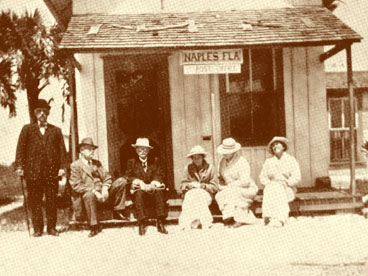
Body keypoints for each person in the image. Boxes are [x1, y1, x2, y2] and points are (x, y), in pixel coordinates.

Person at [15, 99, 68, 237]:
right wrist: (20, 166)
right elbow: (20, 149)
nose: (42, 114)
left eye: (45, 111)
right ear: (34, 113)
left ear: (48, 113)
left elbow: (62, 151)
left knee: (52, 200)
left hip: (51, 172)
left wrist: (62, 167)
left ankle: (51, 228)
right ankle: (38, 229)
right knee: (35, 201)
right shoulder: (27, 129)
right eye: (39, 111)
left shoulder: (56, 131)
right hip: (33, 172)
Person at [69, 137, 112, 237]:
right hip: (87, 198)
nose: (92, 151)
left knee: (120, 182)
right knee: (89, 195)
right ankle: (94, 226)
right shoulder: (75, 165)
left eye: (93, 149)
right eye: (89, 149)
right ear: (81, 151)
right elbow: (76, 185)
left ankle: (119, 211)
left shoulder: (97, 163)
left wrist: (105, 188)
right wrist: (94, 191)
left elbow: (107, 177)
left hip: (102, 194)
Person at [125, 138, 168, 236]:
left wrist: (153, 183)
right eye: (140, 149)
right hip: (140, 190)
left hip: (152, 190)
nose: (142, 152)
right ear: (136, 150)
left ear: (149, 150)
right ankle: (142, 222)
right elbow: (128, 176)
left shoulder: (155, 160)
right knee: (138, 194)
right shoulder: (131, 162)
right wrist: (139, 182)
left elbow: (160, 174)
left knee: (159, 192)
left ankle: (160, 221)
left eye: (145, 149)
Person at [215, 138, 258, 227]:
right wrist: (221, 185)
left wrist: (229, 186)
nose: (224, 153)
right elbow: (221, 177)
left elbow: (245, 181)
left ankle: (239, 218)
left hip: (246, 188)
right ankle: (229, 217)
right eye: (224, 151)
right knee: (220, 195)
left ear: (233, 151)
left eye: (227, 151)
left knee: (232, 193)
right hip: (228, 188)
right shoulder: (222, 162)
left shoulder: (242, 161)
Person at [259, 136, 301, 227]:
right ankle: (268, 216)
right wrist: (268, 183)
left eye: (277, 144)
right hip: (272, 186)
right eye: (273, 145)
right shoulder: (268, 162)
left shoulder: (291, 160)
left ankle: (280, 218)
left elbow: (297, 177)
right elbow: (262, 177)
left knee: (278, 189)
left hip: (287, 187)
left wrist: (287, 182)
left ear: (283, 147)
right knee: (271, 188)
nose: (275, 146)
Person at [179, 145, 218, 230]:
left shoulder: (210, 168)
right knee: (191, 195)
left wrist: (202, 186)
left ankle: (205, 222)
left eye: (199, 157)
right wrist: (188, 186)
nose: (196, 160)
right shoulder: (188, 168)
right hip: (191, 193)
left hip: (206, 193)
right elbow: (182, 184)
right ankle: (186, 222)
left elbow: (215, 187)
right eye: (194, 158)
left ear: (203, 157)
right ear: (192, 158)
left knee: (199, 195)